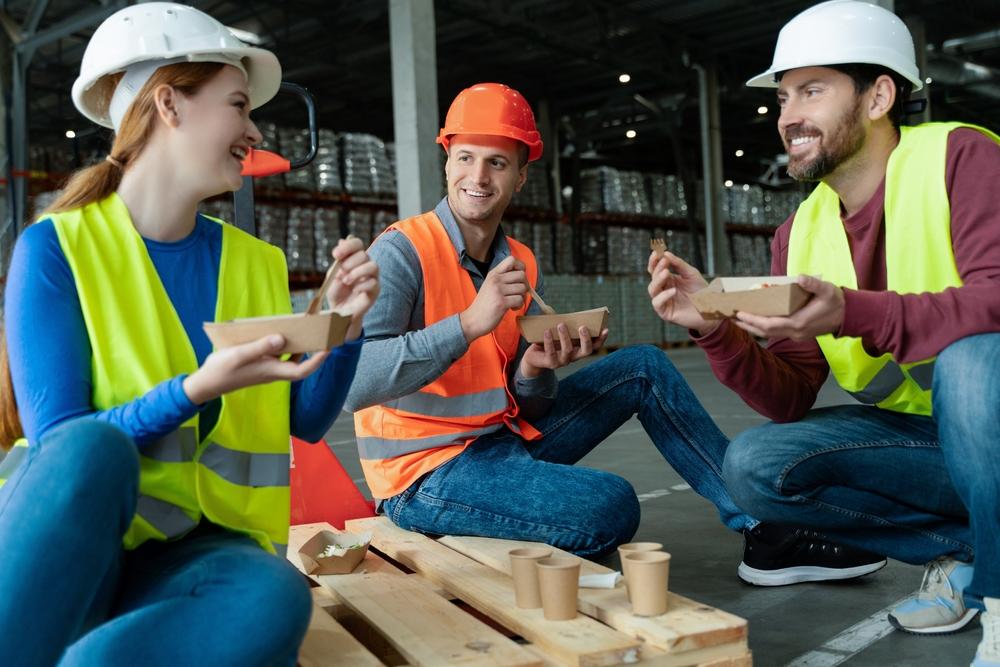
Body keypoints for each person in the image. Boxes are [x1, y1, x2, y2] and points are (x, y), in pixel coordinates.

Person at [344, 81, 882, 585]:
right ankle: (461, 520)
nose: (478, 177)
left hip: (497, 442)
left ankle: (765, 530)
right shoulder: (400, 252)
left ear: (521, 175)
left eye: (497, 163)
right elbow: (354, 383)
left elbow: (520, 405)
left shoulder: (518, 262)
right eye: (465, 158)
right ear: (447, 161)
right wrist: (468, 324)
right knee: (611, 506)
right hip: (423, 476)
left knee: (643, 365)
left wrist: (535, 369)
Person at [0, 3, 379, 665]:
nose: (253, 128)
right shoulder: (55, 250)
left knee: (277, 595)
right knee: (93, 448)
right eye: (238, 104)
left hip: (202, 558)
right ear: (170, 104)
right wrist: (196, 389)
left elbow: (307, 420)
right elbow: (67, 453)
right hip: (72, 557)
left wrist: (345, 326)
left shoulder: (257, 263)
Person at [648, 1, 999, 664]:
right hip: (930, 448)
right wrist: (714, 330)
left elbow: (996, 300)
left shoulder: (962, 157)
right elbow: (789, 398)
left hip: (997, 417)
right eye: (783, 97)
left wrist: (851, 312)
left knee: (976, 363)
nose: (788, 116)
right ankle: (969, 553)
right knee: (755, 465)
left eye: (812, 90)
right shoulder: (800, 232)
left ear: (879, 96)